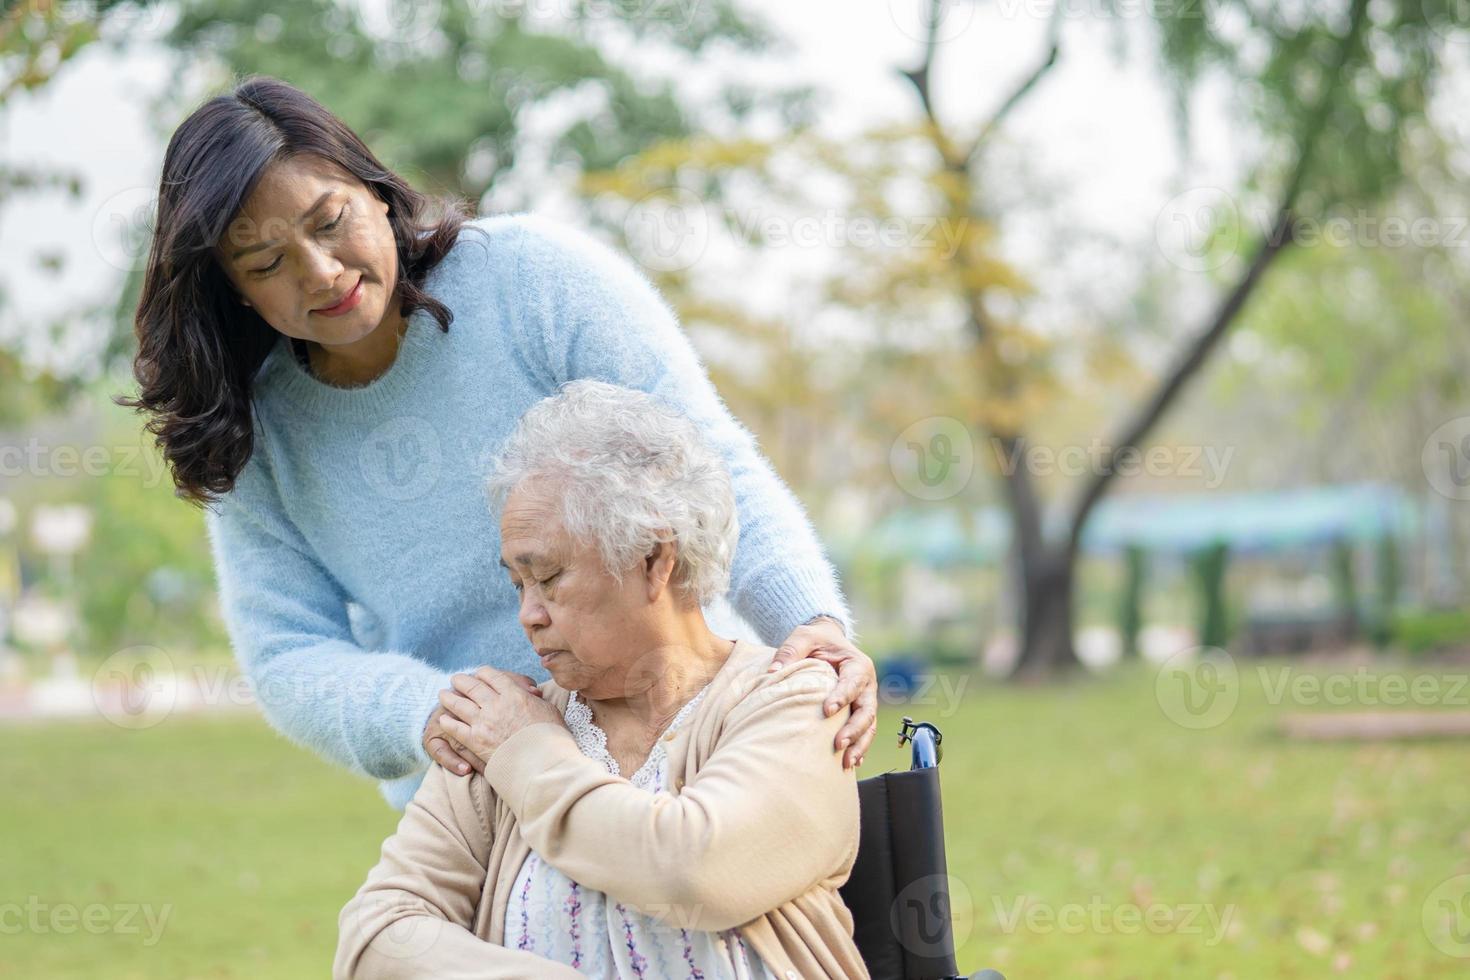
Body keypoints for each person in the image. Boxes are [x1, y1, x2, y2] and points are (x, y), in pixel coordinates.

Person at [124, 75, 878, 810]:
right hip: (486, 791)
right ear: (236, 290)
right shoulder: (251, 429)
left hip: (692, 738)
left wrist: (809, 622)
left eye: (330, 223)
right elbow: (287, 655)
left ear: (379, 194)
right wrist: (443, 710)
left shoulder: (534, 279)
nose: (322, 273)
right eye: (267, 263)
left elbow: (710, 463)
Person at [334, 381, 867, 979]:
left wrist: (528, 756)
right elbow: (378, 935)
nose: (528, 615)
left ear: (653, 560)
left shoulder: (796, 701)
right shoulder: (500, 726)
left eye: (550, 577)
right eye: (518, 583)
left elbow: (693, 871)